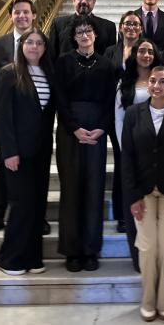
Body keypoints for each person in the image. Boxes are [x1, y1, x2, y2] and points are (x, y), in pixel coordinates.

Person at [0, 0, 50, 238]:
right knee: (4, 168)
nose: (22, 16)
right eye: (17, 12)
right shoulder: (1, 44)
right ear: (11, 17)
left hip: (35, 124)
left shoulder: (42, 43)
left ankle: (39, 216)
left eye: (26, 12)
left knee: (38, 171)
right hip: (6, 121)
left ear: (34, 15)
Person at [122, 65, 164, 322]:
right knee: (148, 247)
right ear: (147, 84)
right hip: (142, 191)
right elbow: (126, 156)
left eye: (163, 81)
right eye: (153, 81)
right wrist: (133, 197)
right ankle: (148, 298)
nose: (158, 86)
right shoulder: (132, 114)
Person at [54, 14, 115, 272]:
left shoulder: (106, 65)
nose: (85, 35)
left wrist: (101, 128)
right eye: (79, 32)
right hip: (70, 132)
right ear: (74, 37)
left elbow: (111, 99)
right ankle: (71, 251)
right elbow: (59, 98)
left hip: (97, 132)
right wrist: (75, 128)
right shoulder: (63, 62)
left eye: (88, 31)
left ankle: (91, 250)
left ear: (96, 35)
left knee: (94, 189)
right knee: (71, 190)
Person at [0, 28, 58, 275]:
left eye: (39, 43)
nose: (34, 47)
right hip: (17, 152)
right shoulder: (9, 73)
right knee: (21, 205)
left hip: (41, 151)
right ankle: (10, 258)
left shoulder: (48, 74)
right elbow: (4, 117)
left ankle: (32, 257)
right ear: (22, 46)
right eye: (29, 42)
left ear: (44, 48)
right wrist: (9, 152)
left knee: (37, 205)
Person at [115, 38, 164, 271]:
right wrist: (126, 149)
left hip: (159, 154)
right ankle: (138, 258)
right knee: (135, 204)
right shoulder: (124, 84)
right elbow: (118, 119)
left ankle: (156, 255)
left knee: (157, 207)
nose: (146, 55)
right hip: (133, 152)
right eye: (142, 51)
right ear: (134, 54)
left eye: (150, 51)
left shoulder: (162, 81)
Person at [103, 10, 144, 234]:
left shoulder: (147, 50)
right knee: (122, 164)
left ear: (141, 29)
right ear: (120, 27)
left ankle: (142, 210)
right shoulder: (111, 51)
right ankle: (122, 214)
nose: (131, 27)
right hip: (116, 115)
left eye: (135, 24)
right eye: (127, 24)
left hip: (141, 115)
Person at [50, 0, 116, 59]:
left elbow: (111, 59)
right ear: (74, 0)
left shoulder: (108, 27)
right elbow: (52, 55)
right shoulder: (58, 24)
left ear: (94, 1)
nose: (84, 2)